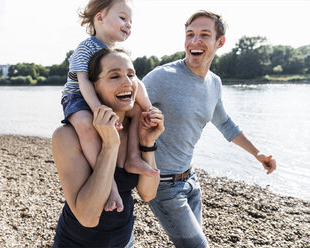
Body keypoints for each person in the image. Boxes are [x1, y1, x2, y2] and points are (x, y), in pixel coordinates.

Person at [142, 10, 277, 248]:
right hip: (163, 184)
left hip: (191, 180)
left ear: (220, 42)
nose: (194, 42)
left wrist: (258, 154)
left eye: (204, 35)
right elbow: (125, 113)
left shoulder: (214, 82)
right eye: (190, 34)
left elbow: (225, 123)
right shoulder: (161, 77)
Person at [52, 48, 164, 247]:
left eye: (131, 75)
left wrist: (147, 144)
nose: (127, 83)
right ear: (93, 87)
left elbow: (148, 194)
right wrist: (110, 146)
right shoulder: (67, 136)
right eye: (114, 76)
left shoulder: (136, 129)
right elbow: (88, 217)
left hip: (124, 241)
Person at [61, 0, 157, 213]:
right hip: (77, 96)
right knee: (86, 125)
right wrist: (97, 109)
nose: (128, 24)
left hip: (100, 95)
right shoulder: (87, 47)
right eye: (123, 18)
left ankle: (132, 156)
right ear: (100, 18)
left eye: (131, 21)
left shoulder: (116, 52)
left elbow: (136, 83)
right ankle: (110, 185)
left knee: (137, 111)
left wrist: (149, 109)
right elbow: (84, 81)